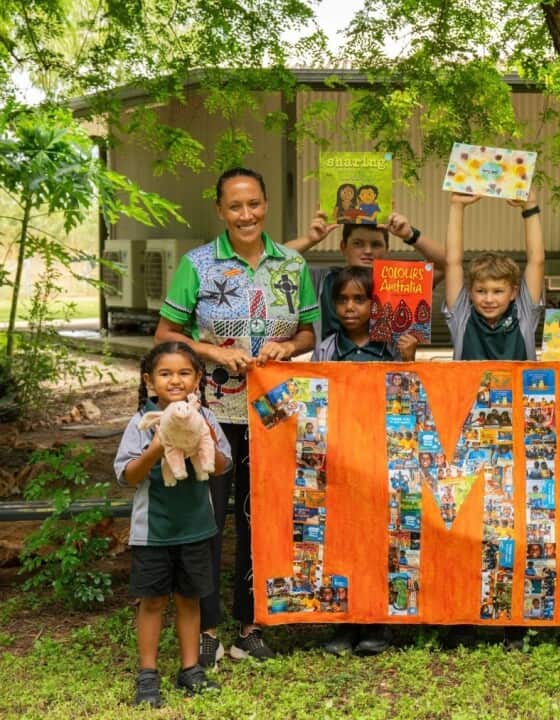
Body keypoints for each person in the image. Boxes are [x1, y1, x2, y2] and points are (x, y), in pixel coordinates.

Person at [154, 167, 319, 665]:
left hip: (273, 415)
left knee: (261, 519)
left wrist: (287, 346)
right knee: (206, 521)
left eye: (254, 204)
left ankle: (251, 625)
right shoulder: (198, 265)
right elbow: (166, 334)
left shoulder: (292, 264)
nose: (246, 215)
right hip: (210, 416)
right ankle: (206, 629)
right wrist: (212, 352)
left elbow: (309, 333)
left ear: (265, 204)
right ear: (220, 210)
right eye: (235, 206)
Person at [115, 343, 232, 706]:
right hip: (153, 531)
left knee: (189, 600)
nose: (175, 380)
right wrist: (156, 447)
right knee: (151, 602)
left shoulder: (206, 417)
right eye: (165, 373)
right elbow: (128, 476)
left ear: (198, 379)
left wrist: (204, 434)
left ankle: (190, 669)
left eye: (184, 373)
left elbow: (221, 466)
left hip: (197, 528)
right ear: (150, 381)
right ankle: (147, 674)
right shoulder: (141, 422)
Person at [311, 266, 406, 655]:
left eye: (359, 299)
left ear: (375, 304)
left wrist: (407, 361)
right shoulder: (326, 349)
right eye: (342, 300)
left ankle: (376, 622)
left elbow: (409, 396)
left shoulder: (393, 346)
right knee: (342, 539)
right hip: (341, 458)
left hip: (382, 457)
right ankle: (344, 623)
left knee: (380, 539)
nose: (350, 307)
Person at [287, 210, 446, 345]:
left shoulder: (400, 280)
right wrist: (309, 240)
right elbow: (276, 263)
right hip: (330, 368)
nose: (368, 251)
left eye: (376, 244)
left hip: (385, 369)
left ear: (387, 249)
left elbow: (446, 264)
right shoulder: (323, 279)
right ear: (343, 247)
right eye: (358, 243)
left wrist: (410, 235)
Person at [443, 191, 545, 360]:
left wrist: (530, 207)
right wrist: (457, 206)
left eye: (498, 291)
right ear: (470, 292)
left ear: (513, 292)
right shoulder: (462, 316)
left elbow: (537, 261)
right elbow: (451, 262)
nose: (489, 299)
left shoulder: (523, 314)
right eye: (481, 291)